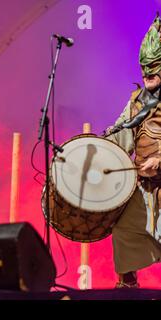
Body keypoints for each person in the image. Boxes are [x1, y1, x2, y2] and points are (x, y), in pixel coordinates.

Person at [107, 15, 161, 288]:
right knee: (124, 228)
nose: (146, 72)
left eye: (153, 66)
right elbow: (120, 136)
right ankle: (128, 286)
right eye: (144, 68)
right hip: (144, 188)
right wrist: (100, 148)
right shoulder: (136, 103)